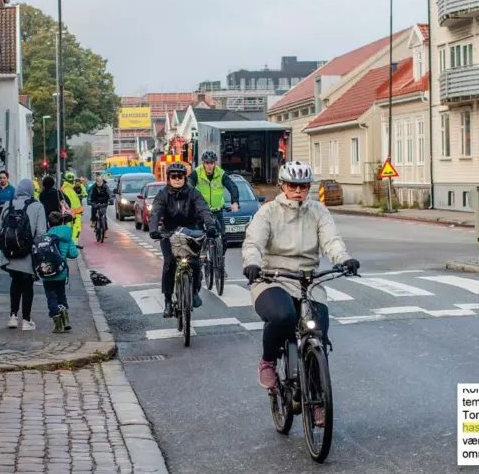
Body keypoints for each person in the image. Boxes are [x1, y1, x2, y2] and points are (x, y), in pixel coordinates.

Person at [241, 160, 360, 399]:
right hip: (273, 277)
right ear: (282, 185)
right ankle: (268, 362)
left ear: (308, 187)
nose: (297, 191)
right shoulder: (268, 212)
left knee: (318, 333)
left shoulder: (318, 211)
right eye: (293, 185)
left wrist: (344, 258)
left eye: (303, 186)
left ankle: (316, 398)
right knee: (283, 316)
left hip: (308, 279)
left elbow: (331, 240)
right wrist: (252, 263)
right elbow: (254, 242)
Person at [149, 162, 218, 318]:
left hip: (191, 232)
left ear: (185, 178)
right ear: (169, 178)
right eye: (174, 176)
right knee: (169, 264)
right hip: (169, 233)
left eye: (180, 176)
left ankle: (193, 292)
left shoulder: (193, 193)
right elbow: (156, 212)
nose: (177, 179)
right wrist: (154, 230)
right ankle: (167, 301)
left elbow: (203, 210)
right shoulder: (163, 194)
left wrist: (210, 225)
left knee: (194, 263)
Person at [0, 179, 47, 331]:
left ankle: (12, 317)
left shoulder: (8, 204)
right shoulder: (37, 206)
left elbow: (0, 228)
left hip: (10, 252)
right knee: (27, 284)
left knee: (15, 282)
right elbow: (41, 232)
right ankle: (26, 320)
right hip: (28, 252)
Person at [189, 150, 240, 273]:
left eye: (211, 163)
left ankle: (219, 263)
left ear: (215, 163)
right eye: (207, 163)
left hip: (217, 212)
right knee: (198, 238)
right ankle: (199, 261)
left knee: (223, 239)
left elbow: (232, 187)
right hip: (200, 212)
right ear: (203, 163)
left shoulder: (220, 173)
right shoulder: (197, 173)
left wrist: (235, 202)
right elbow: (189, 184)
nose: (209, 166)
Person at [42, 211, 79, 333]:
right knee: (61, 295)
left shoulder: (45, 236)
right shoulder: (67, 236)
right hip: (61, 272)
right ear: (62, 221)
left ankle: (58, 326)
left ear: (49, 223)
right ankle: (66, 319)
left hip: (47, 273)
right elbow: (74, 254)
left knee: (51, 297)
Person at [0, 170, 15, 264]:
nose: (2, 179)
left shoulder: (12, 189)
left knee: (8, 233)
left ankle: (8, 256)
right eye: (0, 178)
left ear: (7, 178)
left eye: (4, 178)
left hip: (8, 212)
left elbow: (14, 201)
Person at [61, 172, 84, 244]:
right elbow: (68, 204)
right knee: (74, 229)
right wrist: (72, 214)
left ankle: (73, 243)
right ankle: (73, 244)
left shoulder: (68, 188)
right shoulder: (67, 189)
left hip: (74, 213)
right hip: (74, 214)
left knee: (74, 229)